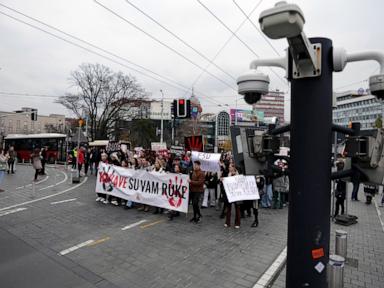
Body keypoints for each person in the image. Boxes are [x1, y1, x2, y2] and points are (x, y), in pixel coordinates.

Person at [225, 164, 241, 228]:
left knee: (237, 209)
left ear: (234, 168)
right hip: (230, 194)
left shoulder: (238, 175)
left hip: (237, 194)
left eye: (230, 167)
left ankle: (237, 223)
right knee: (228, 208)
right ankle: (227, 222)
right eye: (229, 167)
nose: (229, 168)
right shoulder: (228, 174)